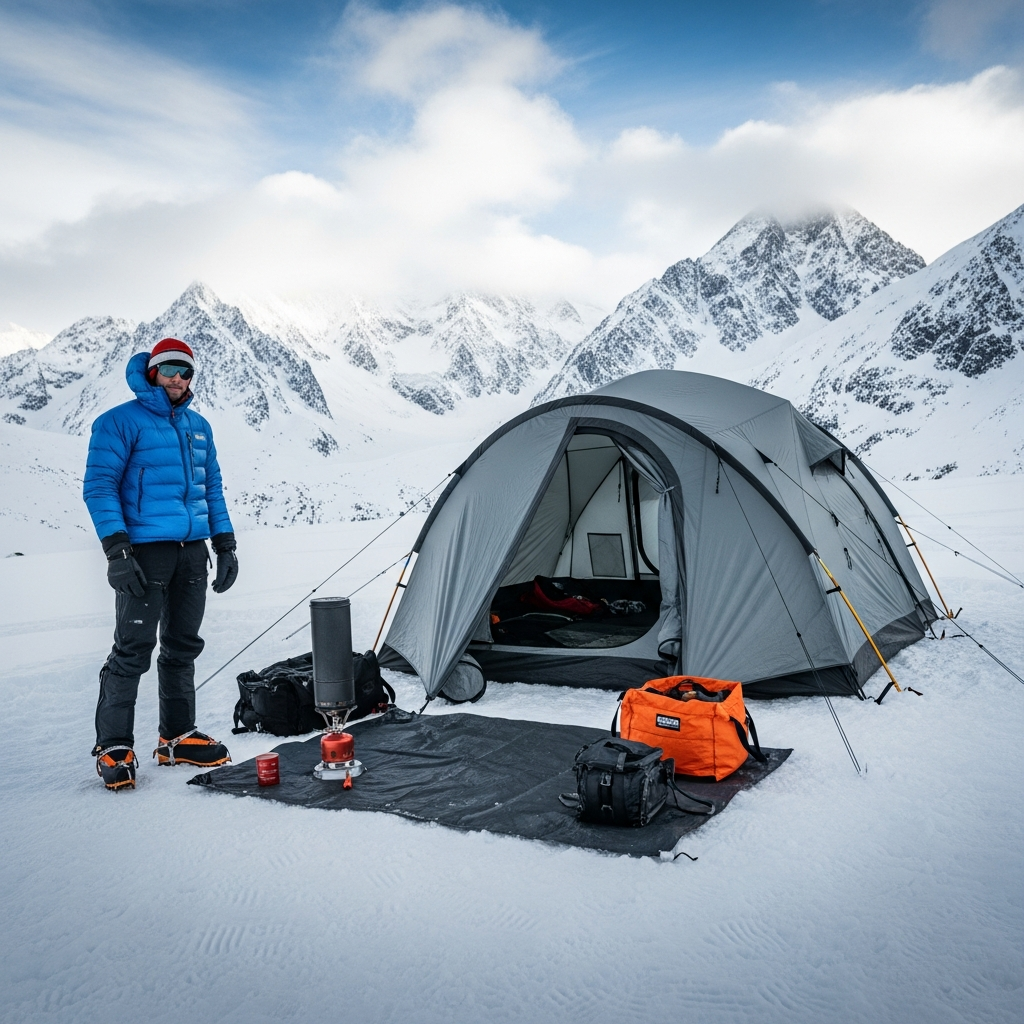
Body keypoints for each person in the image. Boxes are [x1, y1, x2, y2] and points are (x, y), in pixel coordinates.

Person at [83, 338, 239, 790]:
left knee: (182, 645)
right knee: (132, 649)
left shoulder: (199, 426)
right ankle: (113, 746)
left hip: (192, 551)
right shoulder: (118, 422)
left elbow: (212, 491)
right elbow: (100, 488)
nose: (177, 378)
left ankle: (176, 737)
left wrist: (225, 545)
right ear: (152, 371)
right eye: (170, 368)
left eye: (186, 372)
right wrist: (117, 551)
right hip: (143, 552)